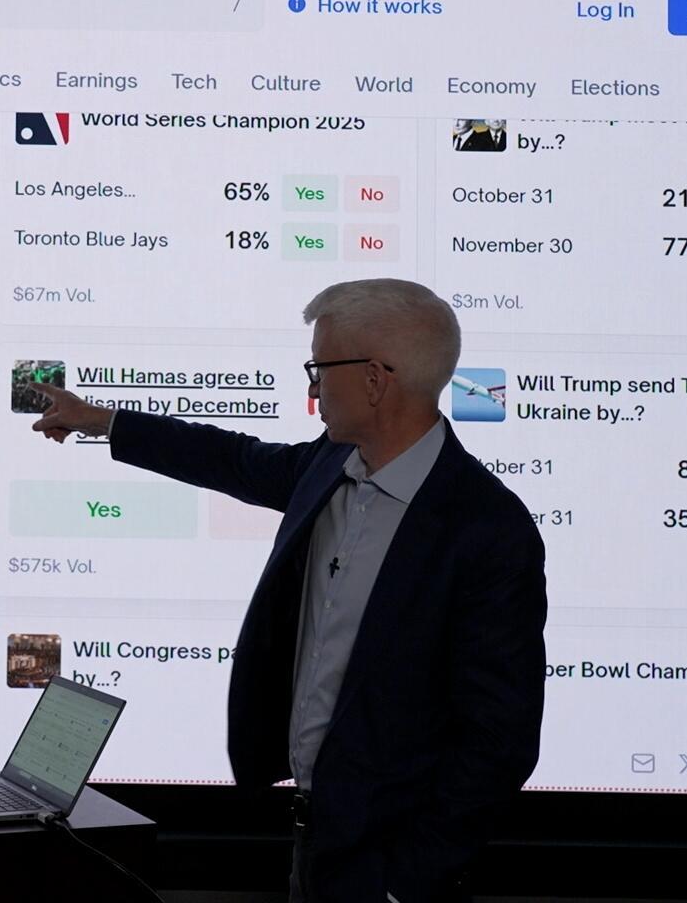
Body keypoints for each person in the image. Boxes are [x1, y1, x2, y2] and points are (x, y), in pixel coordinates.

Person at [29, 278, 545, 903]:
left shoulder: (486, 528)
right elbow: (231, 458)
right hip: (311, 841)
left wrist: (404, 883)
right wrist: (103, 421)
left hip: (389, 871)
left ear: (375, 380)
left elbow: (499, 739)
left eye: (319, 369)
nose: (312, 388)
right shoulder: (328, 467)